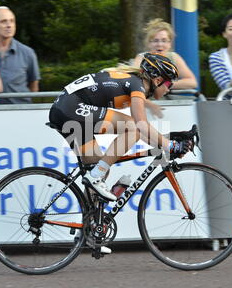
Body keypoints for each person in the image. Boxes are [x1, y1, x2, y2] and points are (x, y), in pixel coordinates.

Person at [49, 53, 191, 201]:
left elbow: (142, 134)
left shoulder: (132, 81)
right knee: (129, 131)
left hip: (63, 111)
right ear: (157, 80)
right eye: (169, 84)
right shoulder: (138, 85)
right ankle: (96, 176)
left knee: (99, 169)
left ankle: (89, 222)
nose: (169, 89)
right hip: (71, 109)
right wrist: (171, 145)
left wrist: (166, 140)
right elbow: (140, 125)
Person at [0, 6, 40, 104]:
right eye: (3, 21)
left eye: (12, 21)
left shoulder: (28, 53)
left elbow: (33, 86)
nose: (9, 25)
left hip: (20, 111)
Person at [133, 18, 197, 90]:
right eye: (155, 41)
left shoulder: (174, 58)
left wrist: (166, 84)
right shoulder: (141, 58)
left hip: (170, 99)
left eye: (164, 40)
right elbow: (133, 81)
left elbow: (192, 82)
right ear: (149, 44)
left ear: (169, 44)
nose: (160, 44)